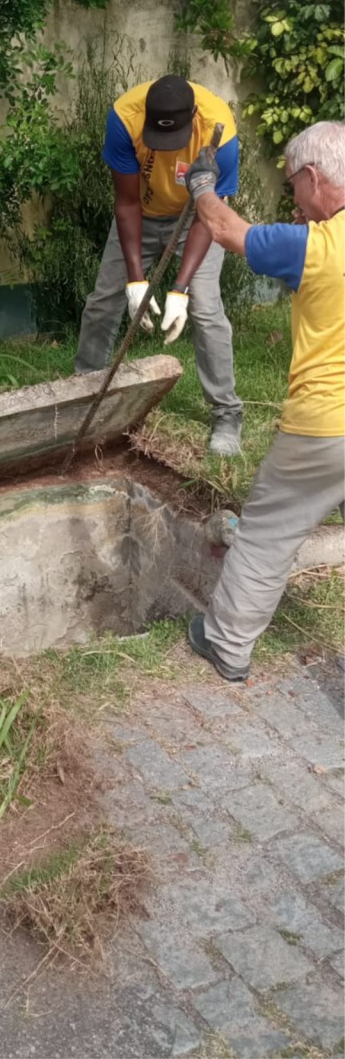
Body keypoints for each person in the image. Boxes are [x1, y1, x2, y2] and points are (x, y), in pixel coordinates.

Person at [182, 120, 345, 682]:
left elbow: (227, 229)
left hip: (325, 427)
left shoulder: (314, 247)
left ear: (314, 176)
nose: (294, 200)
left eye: (294, 186)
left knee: (267, 536)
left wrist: (202, 184)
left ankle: (225, 643)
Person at [75, 74, 245, 456]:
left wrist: (180, 289)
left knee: (205, 309)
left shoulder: (221, 131)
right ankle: (86, 391)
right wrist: (136, 280)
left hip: (198, 216)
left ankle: (227, 413)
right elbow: (127, 203)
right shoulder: (124, 117)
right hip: (142, 215)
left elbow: (210, 217)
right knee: (105, 299)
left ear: (193, 116)